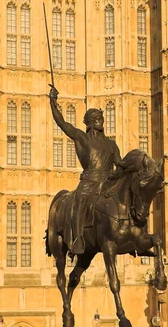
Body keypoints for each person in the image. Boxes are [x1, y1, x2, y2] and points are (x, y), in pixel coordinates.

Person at [49, 85, 123, 254]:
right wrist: (53, 102)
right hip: (89, 181)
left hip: (107, 183)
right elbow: (62, 123)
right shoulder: (82, 138)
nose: (101, 121)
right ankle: (77, 239)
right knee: (79, 200)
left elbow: (119, 165)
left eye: (101, 119)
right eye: (97, 119)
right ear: (90, 123)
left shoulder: (111, 144)